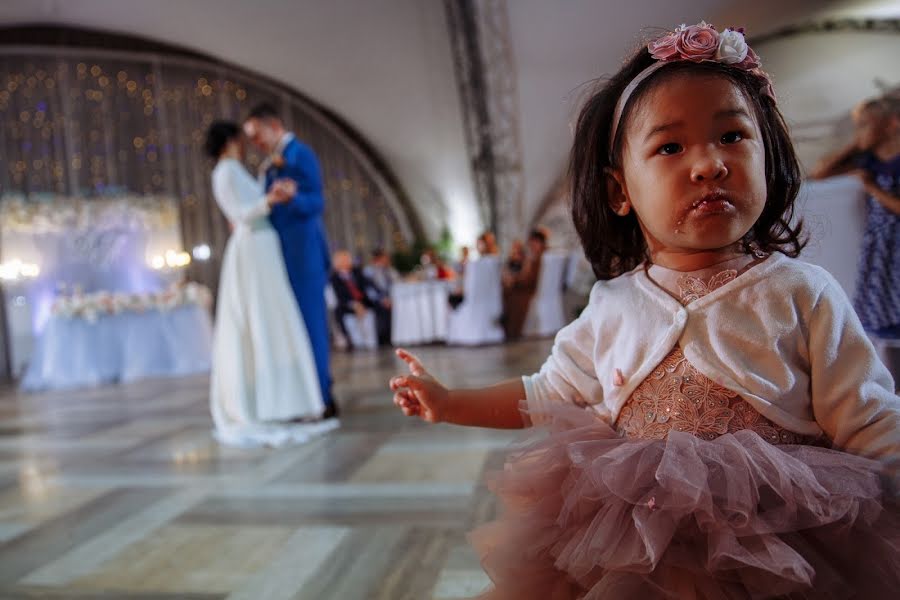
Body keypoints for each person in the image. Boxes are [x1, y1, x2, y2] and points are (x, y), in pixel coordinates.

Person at [390, 22, 900, 598]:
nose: (708, 164)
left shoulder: (800, 292)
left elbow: (867, 414)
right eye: (670, 147)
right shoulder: (613, 303)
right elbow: (549, 392)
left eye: (732, 136)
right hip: (632, 532)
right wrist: (452, 402)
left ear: (771, 157)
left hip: (779, 540)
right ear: (619, 192)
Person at [205, 121, 335, 446]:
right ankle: (277, 399)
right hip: (255, 248)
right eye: (244, 139)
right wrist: (270, 200)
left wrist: (269, 189)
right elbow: (239, 212)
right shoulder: (225, 171)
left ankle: (292, 398)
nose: (251, 144)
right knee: (264, 321)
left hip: (266, 248)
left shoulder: (238, 169)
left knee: (277, 322)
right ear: (231, 140)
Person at [243, 103, 337, 418]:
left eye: (257, 136)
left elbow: (316, 202)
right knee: (292, 327)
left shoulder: (300, 154)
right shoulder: (273, 162)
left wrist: (292, 197)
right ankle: (304, 394)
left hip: (303, 253)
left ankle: (322, 397)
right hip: (280, 254)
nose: (256, 144)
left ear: (274, 126)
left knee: (311, 326)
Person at [811, 95, 900, 379]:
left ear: (891, 124)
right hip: (879, 252)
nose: (858, 131)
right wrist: (856, 144)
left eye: (864, 125)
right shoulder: (868, 160)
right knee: (881, 313)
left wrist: (872, 187)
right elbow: (820, 174)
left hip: (896, 246)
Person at [330, 250, 387, 349]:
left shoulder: (358, 272)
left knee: (374, 320)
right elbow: (337, 298)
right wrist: (354, 305)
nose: (346, 261)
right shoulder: (333, 278)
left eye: (347, 259)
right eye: (342, 260)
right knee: (357, 338)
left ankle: (379, 342)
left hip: (364, 304)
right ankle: (356, 345)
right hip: (346, 307)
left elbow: (371, 285)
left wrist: (382, 297)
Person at [501, 229, 548, 339]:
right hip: (529, 288)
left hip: (527, 292)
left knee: (507, 295)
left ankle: (510, 331)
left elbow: (527, 279)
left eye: (533, 242)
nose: (531, 245)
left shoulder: (535, 259)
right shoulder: (539, 258)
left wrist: (513, 280)